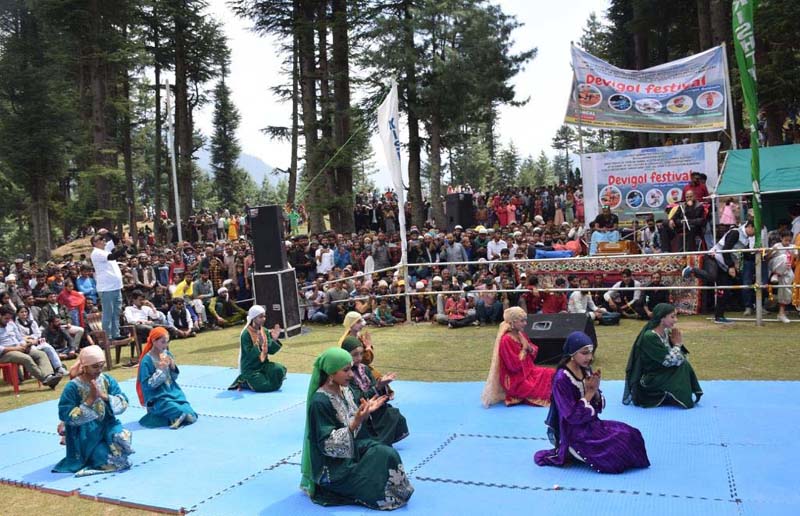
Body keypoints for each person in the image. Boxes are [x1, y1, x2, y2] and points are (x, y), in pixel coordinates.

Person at [300, 347, 414, 510]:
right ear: (331, 373)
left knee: (386, 453)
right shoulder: (320, 402)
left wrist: (368, 410)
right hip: (335, 467)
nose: (351, 374)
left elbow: (359, 404)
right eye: (346, 370)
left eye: (351, 369)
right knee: (378, 473)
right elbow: (326, 444)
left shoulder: (345, 390)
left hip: (355, 450)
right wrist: (356, 422)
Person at [534, 332, 650, 474]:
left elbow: (597, 407)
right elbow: (571, 417)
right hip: (574, 434)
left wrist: (595, 391)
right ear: (572, 353)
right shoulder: (561, 379)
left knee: (631, 434)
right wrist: (589, 393)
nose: (589, 357)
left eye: (590, 353)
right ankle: (573, 453)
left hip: (593, 425)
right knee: (616, 451)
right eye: (584, 353)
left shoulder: (585, 369)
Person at [53, 345, 134, 476]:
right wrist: (89, 400)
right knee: (111, 461)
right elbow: (65, 414)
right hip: (85, 433)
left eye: (101, 365)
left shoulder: (107, 380)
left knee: (122, 438)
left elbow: (123, 401)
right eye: (95, 367)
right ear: (84, 366)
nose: (99, 370)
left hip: (108, 425)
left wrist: (105, 397)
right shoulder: (72, 387)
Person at [623, 303, 703, 408]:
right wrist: (678, 345)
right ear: (662, 318)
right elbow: (668, 361)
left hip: (660, 371)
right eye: (672, 317)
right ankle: (679, 396)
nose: (676, 320)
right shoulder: (650, 336)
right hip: (649, 378)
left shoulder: (664, 331)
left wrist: (677, 347)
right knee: (682, 366)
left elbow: (677, 358)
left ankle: (681, 394)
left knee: (683, 364)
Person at [341, 330, 409, 445]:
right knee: (388, 416)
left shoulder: (365, 369)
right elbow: (355, 397)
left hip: (372, 404)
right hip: (358, 410)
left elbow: (374, 388)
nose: (359, 358)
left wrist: (382, 385)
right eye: (354, 355)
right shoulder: (345, 374)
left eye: (361, 354)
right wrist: (377, 387)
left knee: (393, 413)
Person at [481, 307, 555, 407]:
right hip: (515, 381)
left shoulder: (520, 334)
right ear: (512, 322)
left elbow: (533, 350)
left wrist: (528, 347)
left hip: (529, 372)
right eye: (522, 321)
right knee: (542, 390)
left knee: (551, 373)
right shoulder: (506, 340)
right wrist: (524, 349)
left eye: (525, 320)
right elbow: (513, 366)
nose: (525, 323)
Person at [135, 327, 197, 429]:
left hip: (172, 392)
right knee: (175, 409)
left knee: (189, 411)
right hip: (157, 397)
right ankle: (175, 417)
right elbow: (147, 386)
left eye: (167, 342)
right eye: (163, 342)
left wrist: (173, 367)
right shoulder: (146, 360)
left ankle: (177, 418)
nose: (166, 345)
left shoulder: (167, 354)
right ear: (154, 341)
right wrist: (160, 370)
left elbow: (173, 378)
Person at [229, 305, 287, 392]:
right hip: (250, 369)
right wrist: (259, 345)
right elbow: (249, 356)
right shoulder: (246, 334)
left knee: (279, 370)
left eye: (264, 316)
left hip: (263, 365)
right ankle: (244, 381)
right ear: (253, 318)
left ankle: (259, 379)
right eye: (260, 317)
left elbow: (270, 351)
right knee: (263, 385)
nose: (263, 319)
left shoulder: (265, 331)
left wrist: (274, 340)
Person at [0, 306, 61, 388]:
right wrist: (15, 348)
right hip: (5, 353)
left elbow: (19, 338)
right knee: (26, 358)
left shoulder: (11, 324)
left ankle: (49, 376)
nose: (7, 321)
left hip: (19, 348)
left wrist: (23, 344)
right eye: (6, 318)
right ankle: (45, 379)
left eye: (9, 319)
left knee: (40, 354)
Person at [90, 230, 129, 340]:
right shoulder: (96, 253)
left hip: (116, 286)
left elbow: (116, 241)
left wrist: (108, 232)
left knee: (116, 312)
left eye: (103, 239)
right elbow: (113, 256)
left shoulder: (105, 249)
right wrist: (125, 247)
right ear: (95, 243)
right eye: (100, 239)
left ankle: (115, 334)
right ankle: (107, 336)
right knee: (108, 313)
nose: (103, 241)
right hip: (107, 288)